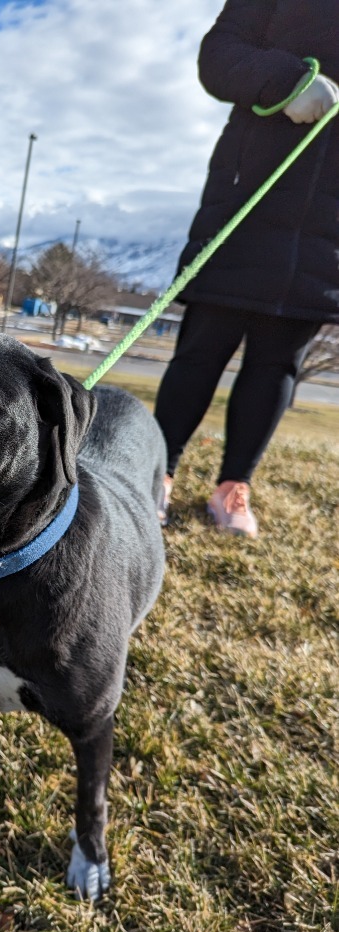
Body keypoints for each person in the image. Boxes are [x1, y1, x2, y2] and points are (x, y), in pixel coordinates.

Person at [154, 0, 339, 538]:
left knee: (280, 362)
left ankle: (233, 487)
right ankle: (157, 473)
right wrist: (286, 82)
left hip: (327, 229)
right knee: (201, 347)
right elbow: (219, 55)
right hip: (247, 199)